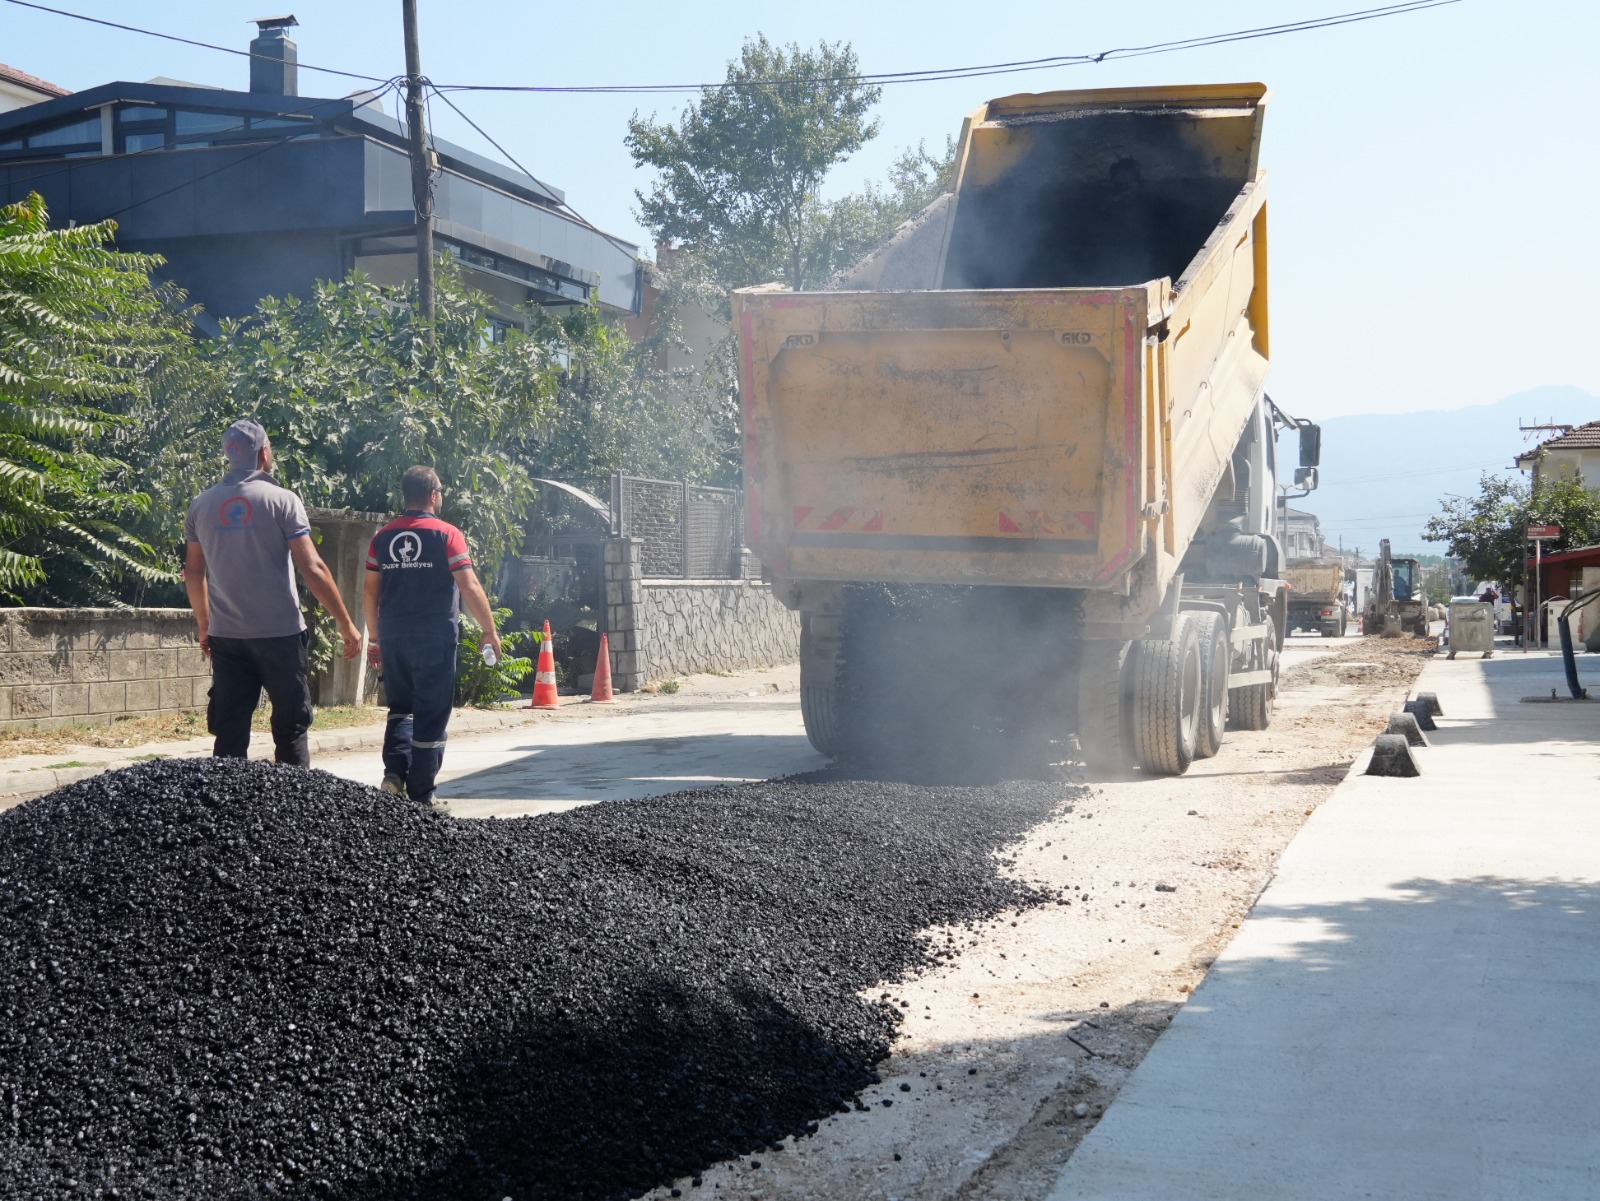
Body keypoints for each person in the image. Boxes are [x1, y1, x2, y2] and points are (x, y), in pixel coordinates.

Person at [185, 420, 361, 766]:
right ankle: (294, 808)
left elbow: (193, 572)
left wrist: (205, 624)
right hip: (280, 635)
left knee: (230, 728)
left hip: (227, 637)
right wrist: (346, 624)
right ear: (264, 453)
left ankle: (226, 808)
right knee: (291, 724)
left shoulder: (201, 505)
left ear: (229, 454)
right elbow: (313, 568)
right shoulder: (283, 500)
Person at [364, 466, 502, 807]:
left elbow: (370, 592)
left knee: (400, 708)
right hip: (434, 636)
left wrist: (375, 639)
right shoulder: (447, 535)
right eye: (440, 490)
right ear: (432, 495)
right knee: (431, 713)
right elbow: (468, 584)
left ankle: (394, 774)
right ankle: (422, 793)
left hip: (394, 636)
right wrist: (489, 629)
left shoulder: (382, 537)